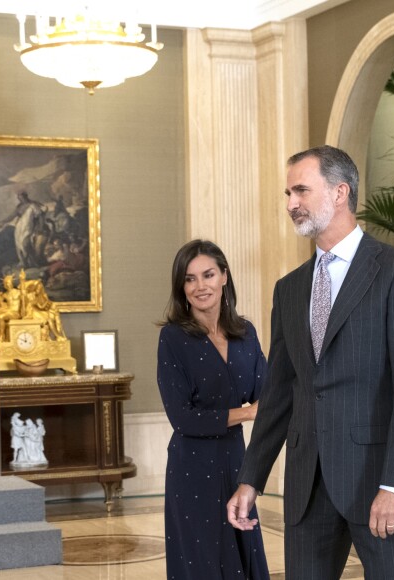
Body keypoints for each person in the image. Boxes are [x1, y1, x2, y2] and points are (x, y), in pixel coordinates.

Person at [227, 145, 394, 579]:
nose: (291, 204)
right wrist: (251, 478)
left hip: (379, 483)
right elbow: (280, 394)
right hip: (307, 488)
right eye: (288, 193)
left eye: (301, 190)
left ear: (340, 192)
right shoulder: (289, 289)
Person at [157, 239, 270, 579]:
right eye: (190, 279)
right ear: (182, 287)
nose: (200, 286)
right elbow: (183, 418)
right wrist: (247, 413)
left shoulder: (245, 333)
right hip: (191, 468)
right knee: (202, 564)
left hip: (237, 462)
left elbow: (269, 394)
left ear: (224, 276)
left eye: (207, 275)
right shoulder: (173, 338)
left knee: (244, 555)